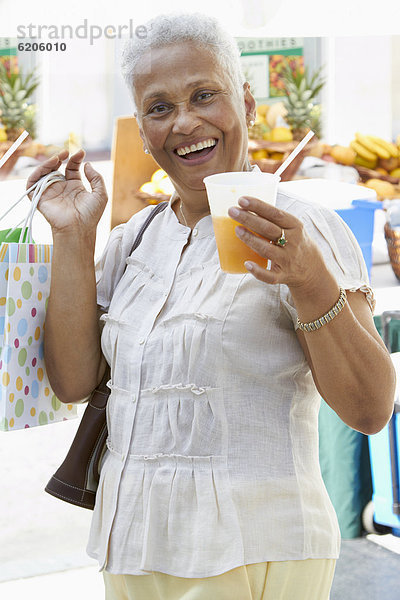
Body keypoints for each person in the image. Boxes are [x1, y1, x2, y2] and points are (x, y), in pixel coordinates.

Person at [27, 12, 395, 600]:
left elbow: (370, 409)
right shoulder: (134, 239)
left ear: (246, 103)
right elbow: (74, 382)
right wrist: (75, 237)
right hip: (133, 546)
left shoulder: (306, 230)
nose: (185, 123)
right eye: (159, 107)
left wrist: (308, 279)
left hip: (257, 551)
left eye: (205, 96)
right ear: (142, 129)